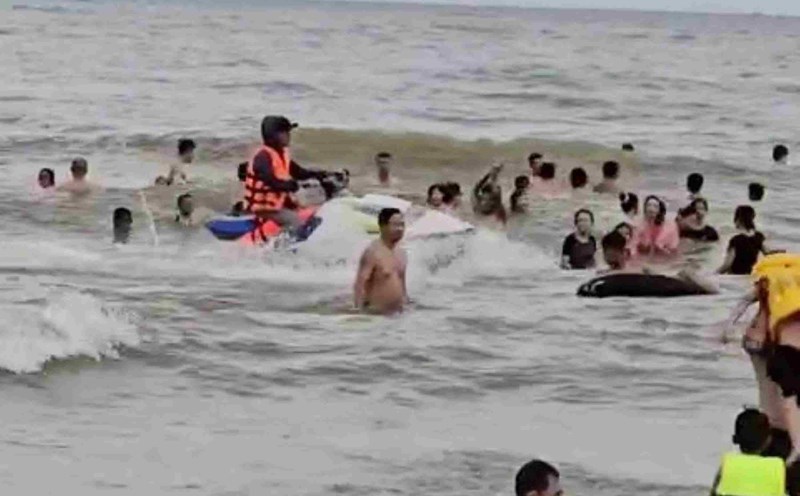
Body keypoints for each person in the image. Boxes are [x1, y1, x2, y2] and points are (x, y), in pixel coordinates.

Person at [242, 115, 330, 242]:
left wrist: (321, 175)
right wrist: (289, 185)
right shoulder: (263, 157)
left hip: (278, 204)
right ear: (274, 136)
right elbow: (270, 181)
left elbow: (300, 173)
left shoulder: (281, 154)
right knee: (294, 221)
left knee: (309, 210)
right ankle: (289, 249)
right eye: (285, 133)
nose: (289, 136)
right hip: (264, 209)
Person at [710, 408, 786, 496]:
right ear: (768, 440)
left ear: (735, 439)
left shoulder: (728, 462)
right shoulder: (776, 466)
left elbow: (714, 492)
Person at [353, 208, 408, 315]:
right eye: (395, 225)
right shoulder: (372, 252)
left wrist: (406, 303)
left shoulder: (402, 253)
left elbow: (402, 284)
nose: (400, 229)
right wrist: (358, 311)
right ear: (383, 226)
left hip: (398, 315)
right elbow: (360, 285)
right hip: (376, 315)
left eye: (402, 225)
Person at [717, 206, 768, 275]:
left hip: (734, 277)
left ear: (738, 220)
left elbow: (727, 265)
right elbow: (768, 254)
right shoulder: (758, 237)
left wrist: (713, 274)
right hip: (749, 276)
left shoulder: (736, 240)